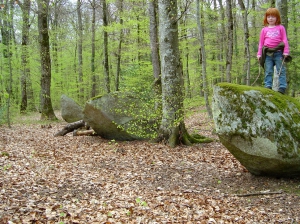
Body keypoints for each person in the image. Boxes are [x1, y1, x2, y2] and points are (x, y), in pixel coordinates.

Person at [257, 8, 290, 94]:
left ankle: (282, 87)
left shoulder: (280, 28)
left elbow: (284, 40)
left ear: (277, 18)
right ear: (266, 18)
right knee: (268, 70)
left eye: (273, 16)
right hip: (268, 53)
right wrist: (259, 54)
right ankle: (268, 86)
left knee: (281, 70)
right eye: (269, 17)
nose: (270, 18)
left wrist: (286, 51)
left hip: (279, 52)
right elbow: (261, 43)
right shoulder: (264, 30)